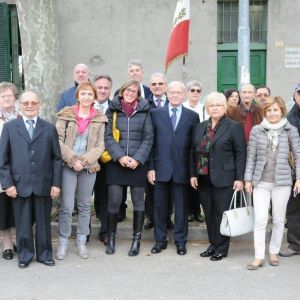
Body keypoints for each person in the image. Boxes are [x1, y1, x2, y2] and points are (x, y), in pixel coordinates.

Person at [0, 91, 62, 268]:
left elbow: (56, 158)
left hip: (44, 183)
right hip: (19, 185)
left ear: (39, 105)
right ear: (20, 105)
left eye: (33, 103)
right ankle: (25, 255)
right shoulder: (10, 127)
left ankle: (44, 254)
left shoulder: (48, 128)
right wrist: (8, 184)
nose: (29, 106)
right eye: (26, 102)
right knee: (23, 223)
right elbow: (3, 159)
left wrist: (56, 183)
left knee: (43, 223)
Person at [245, 96, 300, 270]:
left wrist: (299, 178)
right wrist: (248, 179)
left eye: (276, 109)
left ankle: (273, 251)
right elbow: (251, 157)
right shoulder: (257, 130)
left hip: (282, 183)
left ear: (282, 111)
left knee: (277, 220)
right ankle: (259, 256)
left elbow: (298, 156)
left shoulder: (290, 130)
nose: (272, 113)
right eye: (269, 110)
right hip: (261, 182)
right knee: (260, 219)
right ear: (265, 112)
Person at [190, 92, 246, 261]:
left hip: (225, 178)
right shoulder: (200, 127)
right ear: (207, 108)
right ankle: (213, 244)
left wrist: (239, 178)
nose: (215, 108)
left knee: (222, 214)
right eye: (211, 105)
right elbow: (193, 151)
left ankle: (222, 247)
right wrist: (193, 174)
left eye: (219, 105)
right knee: (208, 212)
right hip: (204, 177)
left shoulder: (233, 126)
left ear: (225, 107)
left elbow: (241, 153)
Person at [56, 81, 107, 259]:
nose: (86, 97)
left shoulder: (100, 118)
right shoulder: (65, 115)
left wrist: (83, 161)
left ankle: (81, 241)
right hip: (68, 165)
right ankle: (63, 241)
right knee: (67, 205)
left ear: (94, 98)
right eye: (83, 94)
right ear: (77, 96)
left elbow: (100, 145)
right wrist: (73, 160)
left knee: (85, 205)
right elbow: (58, 141)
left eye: (90, 94)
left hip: (89, 167)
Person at [148, 81, 199, 256]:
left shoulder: (192, 116)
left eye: (179, 92)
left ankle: (180, 241)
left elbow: (194, 147)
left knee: (181, 208)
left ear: (184, 94)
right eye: (172, 92)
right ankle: (160, 240)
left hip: (182, 170)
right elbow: (151, 143)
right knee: (160, 207)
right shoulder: (155, 114)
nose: (175, 95)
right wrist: (151, 168)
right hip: (160, 168)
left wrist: (193, 172)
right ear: (166, 94)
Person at [105, 79, 152, 256]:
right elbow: (107, 136)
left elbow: (148, 138)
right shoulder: (112, 110)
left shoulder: (145, 111)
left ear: (138, 94)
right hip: (117, 163)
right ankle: (111, 239)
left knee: (139, 202)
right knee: (114, 202)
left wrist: (137, 159)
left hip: (137, 164)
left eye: (134, 91)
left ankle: (136, 241)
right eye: (127, 90)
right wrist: (120, 157)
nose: (130, 93)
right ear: (122, 91)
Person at [144, 72, 173, 230]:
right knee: (151, 189)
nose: (157, 87)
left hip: (168, 152)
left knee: (168, 189)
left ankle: (167, 218)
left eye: (160, 84)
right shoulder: (144, 103)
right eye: (154, 84)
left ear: (165, 85)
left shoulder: (173, 102)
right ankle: (152, 218)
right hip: (150, 150)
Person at [280, 84, 300, 257]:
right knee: (294, 209)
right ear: (294, 96)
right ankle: (295, 244)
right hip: (295, 170)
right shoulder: (288, 118)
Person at [0, 82, 19, 260]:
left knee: (18, 207)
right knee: (3, 208)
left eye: (10, 95)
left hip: (20, 169)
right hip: (1, 169)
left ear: (15, 98)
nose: (6, 98)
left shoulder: (21, 116)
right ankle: (6, 242)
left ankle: (19, 239)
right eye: (3, 96)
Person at [183, 80, 207, 223]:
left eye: (198, 91)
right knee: (187, 181)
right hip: (186, 148)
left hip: (201, 149)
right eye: (192, 90)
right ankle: (189, 211)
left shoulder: (204, 108)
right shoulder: (183, 107)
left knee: (199, 181)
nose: (195, 93)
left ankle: (197, 211)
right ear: (187, 92)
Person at [93, 74, 113, 245]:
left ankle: (105, 231)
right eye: (99, 87)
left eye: (106, 88)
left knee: (105, 195)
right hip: (86, 159)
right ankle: (83, 232)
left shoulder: (114, 108)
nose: (102, 90)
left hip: (107, 159)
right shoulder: (84, 106)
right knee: (85, 197)